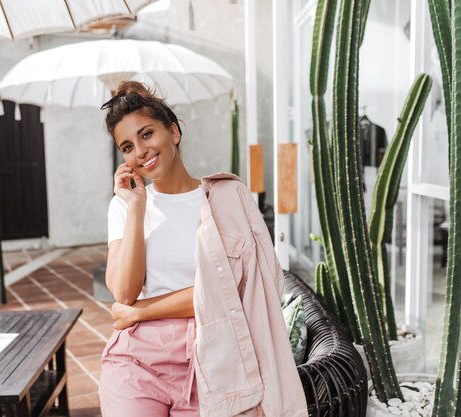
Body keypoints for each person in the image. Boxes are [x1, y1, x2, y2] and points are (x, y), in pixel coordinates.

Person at [99, 81, 307, 417]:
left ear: (174, 132)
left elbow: (233, 292)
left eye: (147, 134)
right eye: (127, 146)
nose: (140, 151)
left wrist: (140, 311)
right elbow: (124, 293)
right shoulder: (124, 207)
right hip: (137, 361)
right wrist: (137, 208)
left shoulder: (224, 200)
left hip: (213, 358)